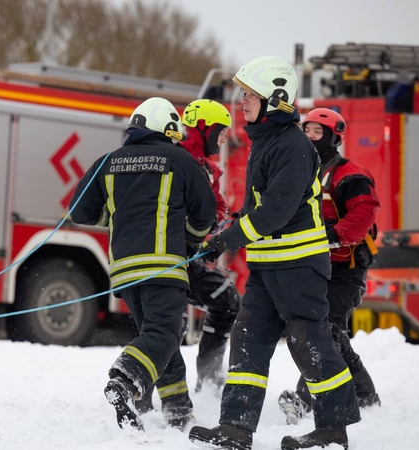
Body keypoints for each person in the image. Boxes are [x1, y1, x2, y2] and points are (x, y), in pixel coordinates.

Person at [188, 57, 361, 450]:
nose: (243, 100)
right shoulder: (266, 141)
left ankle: (333, 430)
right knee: (248, 335)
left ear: (276, 99)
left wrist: (229, 240)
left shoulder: (292, 145)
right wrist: (222, 236)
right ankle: (236, 428)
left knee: (306, 338)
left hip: (298, 265)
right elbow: (256, 208)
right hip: (268, 266)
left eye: (251, 94)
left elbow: (275, 212)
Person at [69, 97, 216, 431]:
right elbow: (205, 214)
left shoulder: (108, 161)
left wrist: (117, 217)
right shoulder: (180, 159)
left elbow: (79, 211)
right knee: (165, 332)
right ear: (167, 128)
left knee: (159, 336)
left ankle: (178, 410)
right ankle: (124, 379)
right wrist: (190, 239)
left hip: (125, 270)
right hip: (163, 265)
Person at [278, 108, 381, 425]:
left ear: (335, 137)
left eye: (317, 132)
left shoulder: (350, 174)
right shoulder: (300, 170)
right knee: (330, 331)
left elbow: (363, 215)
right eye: (306, 130)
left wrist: (331, 236)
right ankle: (364, 394)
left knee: (325, 329)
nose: (309, 136)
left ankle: (305, 399)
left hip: (346, 269)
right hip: (314, 265)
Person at [180, 99, 241, 391]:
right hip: (169, 258)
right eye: (221, 132)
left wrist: (228, 226)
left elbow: (216, 210)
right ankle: (152, 395)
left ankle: (208, 381)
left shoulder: (206, 168)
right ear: (204, 128)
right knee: (169, 325)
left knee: (227, 301)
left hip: (189, 258)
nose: (223, 139)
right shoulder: (177, 160)